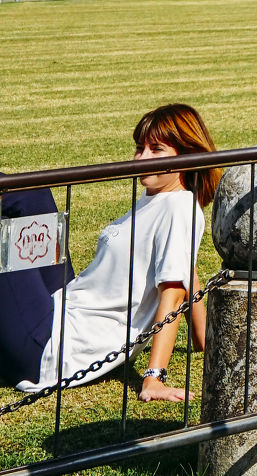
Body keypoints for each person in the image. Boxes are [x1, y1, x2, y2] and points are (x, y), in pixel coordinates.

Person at [10, 103, 218, 400]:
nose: (142, 158)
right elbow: (185, 274)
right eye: (139, 147)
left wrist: (153, 378)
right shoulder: (155, 201)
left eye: (156, 149)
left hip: (53, 344)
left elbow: (172, 293)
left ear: (186, 157)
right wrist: (203, 337)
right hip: (57, 306)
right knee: (31, 196)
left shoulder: (179, 206)